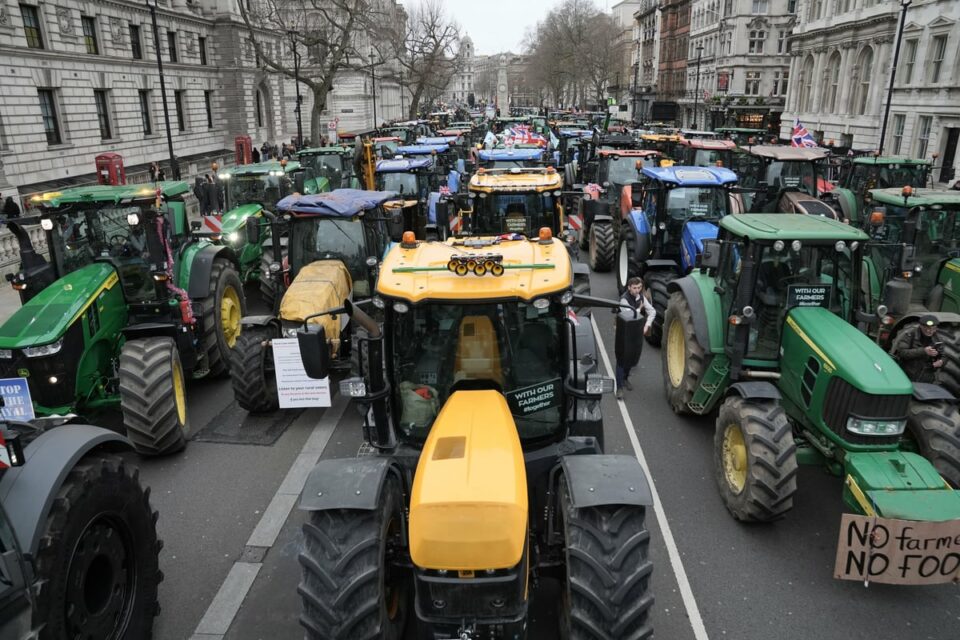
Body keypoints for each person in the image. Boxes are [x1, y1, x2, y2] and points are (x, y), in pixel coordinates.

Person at [614, 277, 656, 399]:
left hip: (635, 330)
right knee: (621, 359)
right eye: (634, 288)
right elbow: (630, 315)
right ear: (629, 287)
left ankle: (625, 378)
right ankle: (619, 387)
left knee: (632, 356)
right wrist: (640, 308)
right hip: (623, 331)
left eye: (639, 288)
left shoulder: (641, 297)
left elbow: (652, 311)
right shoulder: (624, 299)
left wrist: (647, 326)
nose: (637, 290)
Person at [891, 315, 945, 384]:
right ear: (921, 326)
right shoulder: (910, 335)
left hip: (927, 378)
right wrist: (923, 351)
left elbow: (944, 355)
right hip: (907, 374)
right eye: (927, 328)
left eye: (933, 328)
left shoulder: (938, 339)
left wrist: (941, 361)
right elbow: (902, 353)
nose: (930, 331)